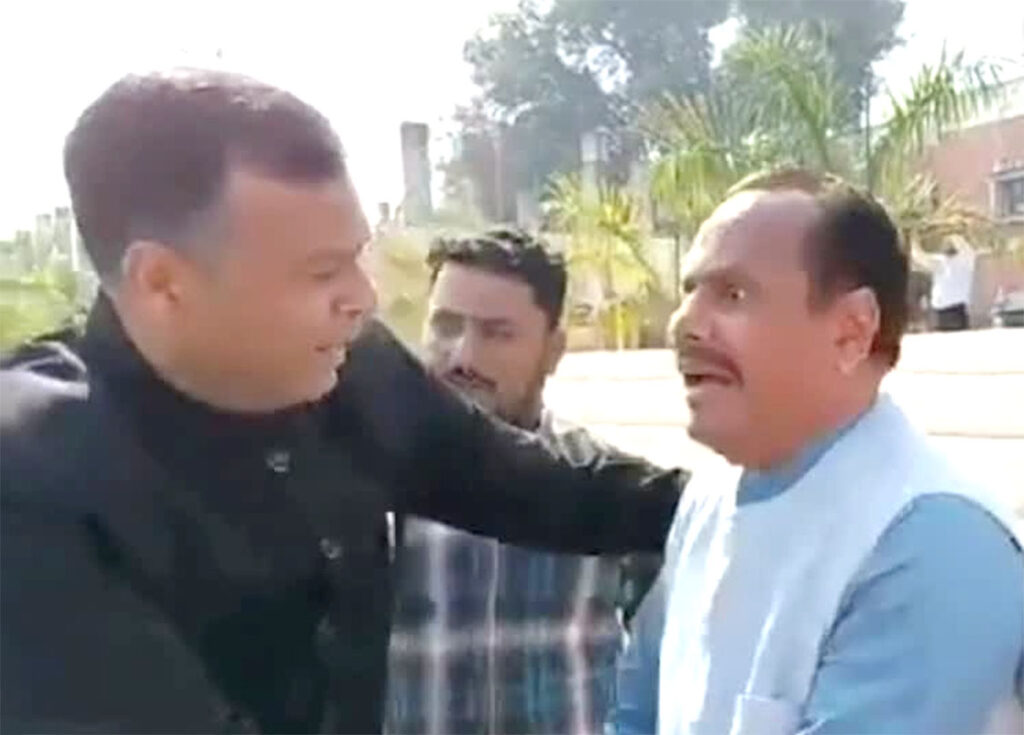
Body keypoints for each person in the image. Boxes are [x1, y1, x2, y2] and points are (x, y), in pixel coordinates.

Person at [0, 69, 686, 735]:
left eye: (357, 259)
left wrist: (732, 499)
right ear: (162, 282)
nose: (364, 297)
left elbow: (543, 487)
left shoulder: (351, 371)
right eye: (322, 272)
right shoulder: (34, 479)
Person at [612, 169, 1024, 734]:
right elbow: (636, 713)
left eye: (733, 295)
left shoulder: (937, 543)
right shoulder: (707, 503)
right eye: (690, 291)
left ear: (852, 331)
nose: (684, 324)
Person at [386, 230, 664, 735]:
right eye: (446, 325)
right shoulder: (374, 486)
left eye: (497, 334)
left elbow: (668, 674)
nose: (463, 356)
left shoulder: (612, 494)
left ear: (554, 350)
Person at [930, 240, 976, 330]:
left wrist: (955, 236)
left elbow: (967, 249)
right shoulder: (940, 261)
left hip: (956, 309)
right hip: (942, 310)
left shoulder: (965, 260)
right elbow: (919, 257)